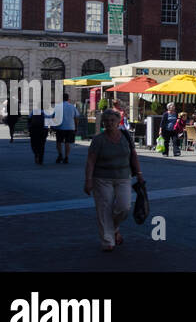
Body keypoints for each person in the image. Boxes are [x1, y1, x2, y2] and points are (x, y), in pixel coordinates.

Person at [83, 109, 142, 252]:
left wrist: (139, 173)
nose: (109, 123)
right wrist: (88, 180)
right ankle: (108, 241)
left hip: (123, 177)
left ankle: (114, 228)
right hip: (102, 178)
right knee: (104, 209)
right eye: (106, 121)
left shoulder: (125, 136)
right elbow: (90, 161)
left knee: (124, 207)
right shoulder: (98, 139)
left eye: (112, 121)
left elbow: (133, 155)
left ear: (118, 122)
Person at [52, 95, 78, 164]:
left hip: (60, 127)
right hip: (70, 127)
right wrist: (76, 127)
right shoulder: (72, 107)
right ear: (68, 99)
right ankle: (66, 157)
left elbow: (53, 117)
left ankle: (60, 154)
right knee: (67, 143)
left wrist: (53, 126)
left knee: (59, 142)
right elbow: (76, 118)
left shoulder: (57, 107)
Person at [27, 95, 48, 165]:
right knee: (42, 145)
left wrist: (29, 128)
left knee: (34, 143)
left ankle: (36, 153)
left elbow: (29, 119)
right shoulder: (47, 112)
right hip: (43, 130)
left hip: (34, 130)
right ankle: (41, 159)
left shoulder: (34, 111)